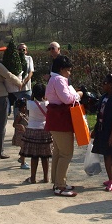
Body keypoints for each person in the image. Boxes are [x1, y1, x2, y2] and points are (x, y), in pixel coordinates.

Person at [45, 55, 83, 197]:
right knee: (66, 153)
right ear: (62, 69)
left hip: (54, 118)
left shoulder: (51, 79)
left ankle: (57, 181)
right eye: (68, 70)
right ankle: (60, 185)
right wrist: (78, 95)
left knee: (58, 152)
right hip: (61, 119)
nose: (69, 73)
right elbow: (67, 99)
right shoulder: (59, 80)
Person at [91, 73, 112, 191]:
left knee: (111, 155)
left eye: (105, 83)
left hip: (111, 131)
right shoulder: (103, 97)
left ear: (111, 85)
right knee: (109, 154)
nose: (103, 85)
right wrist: (96, 129)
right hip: (102, 129)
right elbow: (99, 115)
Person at [20, 83, 52, 184]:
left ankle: (33, 178)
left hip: (32, 130)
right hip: (45, 130)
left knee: (34, 156)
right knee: (45, 156)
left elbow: (28, 110)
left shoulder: (30, 103)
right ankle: (46, 177)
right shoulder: (47, 104)